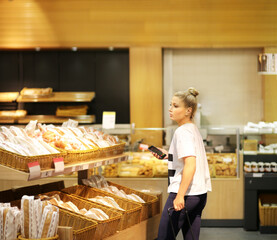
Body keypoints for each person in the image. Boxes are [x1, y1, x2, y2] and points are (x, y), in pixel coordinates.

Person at [151, 87, 212, 240]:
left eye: (176, 106)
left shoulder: (182, 132)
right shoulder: (192, 129)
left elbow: (191, 165)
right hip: (199, 195)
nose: (170, 109)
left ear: (188, 111)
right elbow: (188, 157)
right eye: (170, 105)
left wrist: (179, 196)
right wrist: (169, 155)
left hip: (185, 195)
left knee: (164, 237)